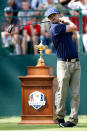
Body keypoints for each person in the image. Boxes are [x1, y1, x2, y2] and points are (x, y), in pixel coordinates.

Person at [45, 8, 81, 127]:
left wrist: (65, 21)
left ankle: (72, 120)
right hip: (63, 64)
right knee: (62, 92)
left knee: (75, 94)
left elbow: (74, 35)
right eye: (50, 17)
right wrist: (67, 20)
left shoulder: (62, 26)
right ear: (49, 20)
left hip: (76, 63)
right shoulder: (55, 28)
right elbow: (74, 27)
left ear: (58, 14)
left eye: (54, 15)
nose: (53, 17)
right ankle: (60, 117)